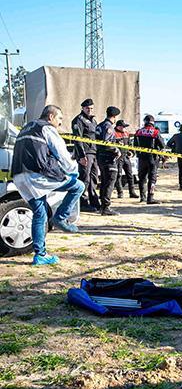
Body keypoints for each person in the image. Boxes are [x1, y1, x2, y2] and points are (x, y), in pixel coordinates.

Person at [11, 105, 85, 265]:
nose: (60, 123)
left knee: (40, 213)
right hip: (38, 174)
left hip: (19, 175)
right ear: (50, 117)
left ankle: (40, 255)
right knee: (78, 186)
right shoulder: (47, 128)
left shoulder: (26, 128)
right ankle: (60, 218)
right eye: (59, 119)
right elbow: (62, 153)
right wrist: (73, 170)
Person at [71, 98, 100, 212]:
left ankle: (94, 201)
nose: (90, 110)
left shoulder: (93, 121)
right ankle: (82, 203)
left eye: (91, 108)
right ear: (82, 108)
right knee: (84, 178)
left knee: (94, 178)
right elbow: (78, 139)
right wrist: (82, 156)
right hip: (85, 153)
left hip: (94, 152)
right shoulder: (79, 120)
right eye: (87, 108)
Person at [95, 106, 122, 215]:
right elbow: (106, 143)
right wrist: (116, 149)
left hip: (101, 157)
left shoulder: (100, 125)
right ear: (114, 117)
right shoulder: (109, 127)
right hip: (108, 158)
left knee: (105, 181)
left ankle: (103, 205)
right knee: (110, 181)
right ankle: (106, 207)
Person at [133, 114, 166, 204]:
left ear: (145, 122)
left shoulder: (138, 132)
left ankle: (142, 197)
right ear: (153, 123)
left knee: (142, 178)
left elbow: (135, 145)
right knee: (152, 178)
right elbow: (162, 145)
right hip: (152, 158)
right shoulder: (155, 132)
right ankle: (150, 198)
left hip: (141, 158)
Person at [113, 120, 139, 199]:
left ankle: (132, 192)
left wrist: (131, 152)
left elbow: (130, 145)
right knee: (119, 175)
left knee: (130, 175)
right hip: (118, 157)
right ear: (118, 126)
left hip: (126, 157)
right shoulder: (113, 133)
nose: (124, 128)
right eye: (123, 126)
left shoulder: (126, 133)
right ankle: (120, 192)